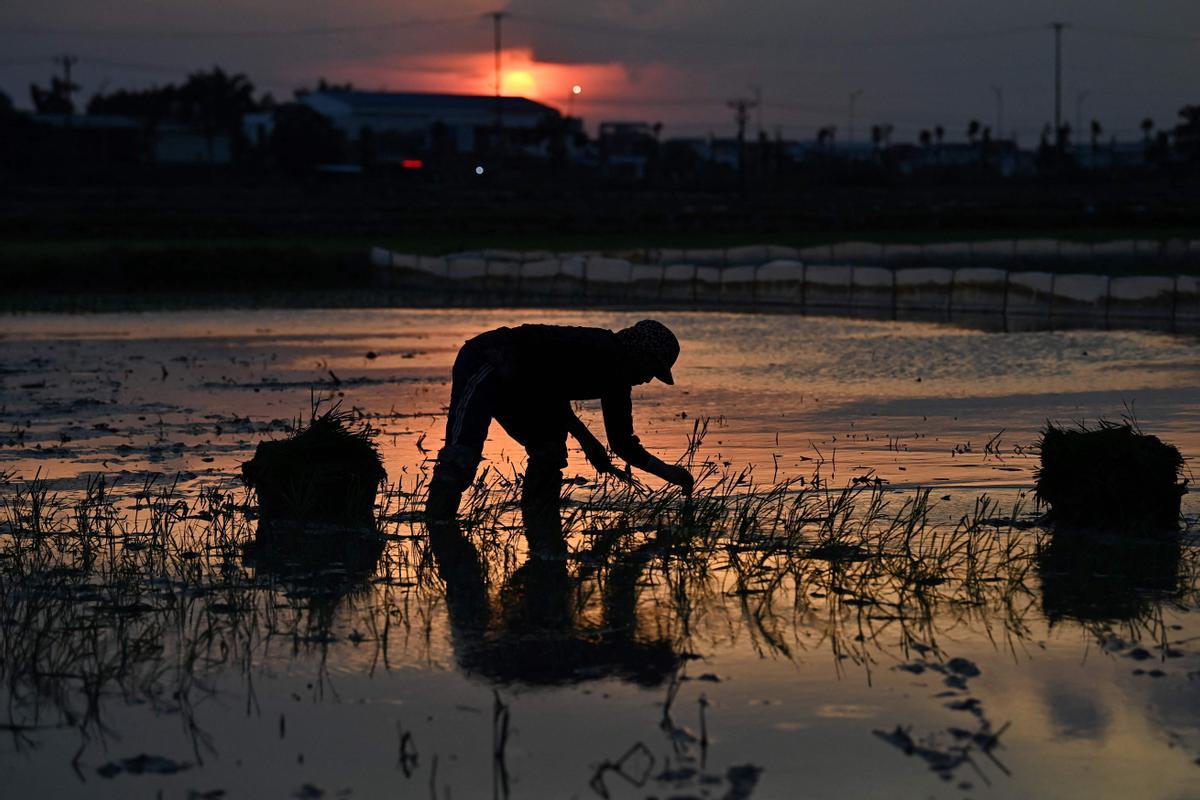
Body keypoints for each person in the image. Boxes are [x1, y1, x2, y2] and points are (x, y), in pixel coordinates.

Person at [425, 319, 694, 523]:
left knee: (549, 450)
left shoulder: (619, 381)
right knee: (462, 454)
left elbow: (622, 442)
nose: (648, 379)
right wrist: (588, 441)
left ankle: (538, 515)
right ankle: (438, 525)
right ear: (640, 353)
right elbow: (548, 390)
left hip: (522, 384)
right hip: (489, 360)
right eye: (652, 370)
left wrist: (670, 473)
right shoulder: (597, 350)